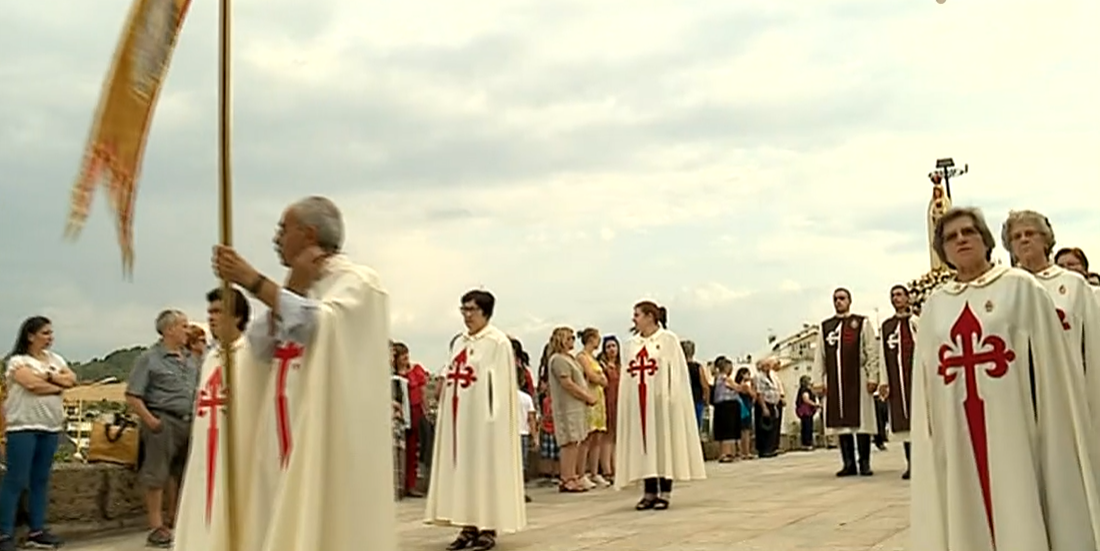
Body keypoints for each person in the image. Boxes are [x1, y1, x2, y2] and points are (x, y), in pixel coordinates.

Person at [209, 196, 395, 551]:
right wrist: (290, 288)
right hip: (276, 432)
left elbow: (316, 324)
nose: (276, 238)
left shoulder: (358, 282)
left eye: (283, 229)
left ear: (308, 233)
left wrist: (252, 281)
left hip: (321, 434)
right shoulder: (299, 286)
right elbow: (260, 349)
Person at [911, 206, 1100, 551]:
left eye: (968, 232)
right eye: (951, 237)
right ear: (944, 252)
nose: (961, 240)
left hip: (1015, 427)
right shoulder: (935, 306)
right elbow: (925, 382)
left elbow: (1050, 368)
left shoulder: (1019, 288)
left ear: (985, 240)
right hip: (957, 435)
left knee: (1018, 501)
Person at [424, 290, 525, 551]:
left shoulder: (497, 342)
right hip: (458, 418)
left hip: (484, 421)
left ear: (486, 312)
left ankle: (487, 527)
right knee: (462, 468)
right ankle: (466, 525)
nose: (467, 315)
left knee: (483, 468)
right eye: (464, 309)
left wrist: (494, 422)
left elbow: (499, 387)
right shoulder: (459, 342)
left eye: (472, 310)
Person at [174, 287, 256, 551]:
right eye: (209, 312)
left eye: (218, 311)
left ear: (237, 316)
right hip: (204, 447)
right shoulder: (211, 358)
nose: (210, 318)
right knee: (201, 501)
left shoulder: (252, 356)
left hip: (237, 450)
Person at [1003, 211, 1100, 417]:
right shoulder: (1005, 288)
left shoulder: (1074, 285)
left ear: (1046, 240)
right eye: (1016, 236)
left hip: (1068, 383)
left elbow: (1092, 342)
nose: (1024, 239)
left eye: (1030, 233)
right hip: (1021, 389)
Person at [615, 300, 706, 510]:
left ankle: (665, 491)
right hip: (640, 404)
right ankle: (648, 491)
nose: (634, 319)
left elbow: (675, 371)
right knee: (644, 446)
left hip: (662, 403)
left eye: (637, 314)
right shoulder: (631, 345)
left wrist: (671, 396)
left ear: (649, 316)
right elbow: (626, 377)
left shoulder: (668, 340)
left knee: (663, 444)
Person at [0, 317, 74, 551]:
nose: (50, 337)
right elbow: (30, 385)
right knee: (16, 480)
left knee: (40, 480)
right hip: (23, 426)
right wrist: (56, 384)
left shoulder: (56, 359)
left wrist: (49, 378)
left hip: (49, 426)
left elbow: (71, 379)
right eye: (44, 333)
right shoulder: (17, 361)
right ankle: (4, 533)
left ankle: (37, 530)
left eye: (51, 333)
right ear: (30, 336)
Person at [126, 309, 199, 547]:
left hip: (188, 420)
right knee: (156, 474)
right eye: (184, 326)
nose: (188, 330)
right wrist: (151, 421)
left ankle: (176, 518)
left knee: (181, 473)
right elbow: (133, 394)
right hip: (163, 420)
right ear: (169, 330)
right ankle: (156, 526)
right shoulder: (150, 358)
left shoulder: (190, 360)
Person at [813, 287, 879, 477]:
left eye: (842, 298)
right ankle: (848, 463)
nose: (838, 302)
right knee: (841, 423)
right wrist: (818, 380)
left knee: (862, 423)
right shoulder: (826, 327)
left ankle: (864, 462)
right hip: (835, 380)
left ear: (850, 301)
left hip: (858, 377)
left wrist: (873, 376)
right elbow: (820, 356)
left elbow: (871, 351)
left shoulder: (861, 323)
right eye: (835, 299)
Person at [878, 284, 918, 480]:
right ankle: (911, 464)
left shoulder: (917, 322)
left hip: (916, 379)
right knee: (904, 422)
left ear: (907, 298)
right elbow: (882, 356)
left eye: (899, 295)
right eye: (893, 295)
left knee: (921, 420)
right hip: (897, 380)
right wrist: (883, 382)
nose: (896, 298)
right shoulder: (887, 327)